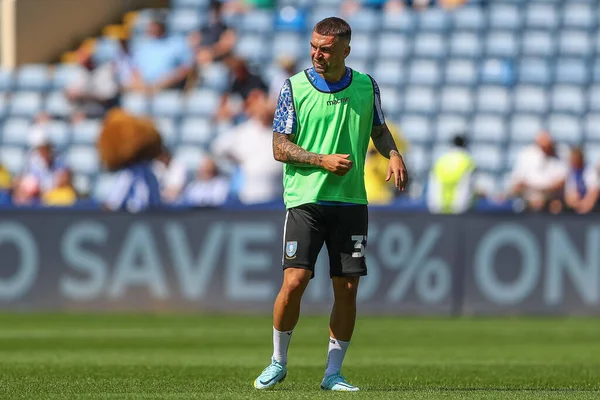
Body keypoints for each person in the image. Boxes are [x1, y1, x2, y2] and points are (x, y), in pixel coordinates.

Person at [253, 17, 408, 392]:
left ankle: (332, 374)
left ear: (345, 51)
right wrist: (321, 160)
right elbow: (279, 146)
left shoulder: (365, 86)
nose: (317, 54)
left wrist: (393, 154)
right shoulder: (293, 87)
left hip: (351, 200)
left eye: (325, 49)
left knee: (348, 288)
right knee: (295, 280)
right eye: (313, 46)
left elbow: (379, 128)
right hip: (306, 198)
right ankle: (278, 361)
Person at [426, 134, 476, 214]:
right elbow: (468, 186)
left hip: (439, 206)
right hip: (460, 208)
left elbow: (434, 183)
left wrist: (434, 205)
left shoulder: (441, 160)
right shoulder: (468, 161)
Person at [564, 147, 600, 214]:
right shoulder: (571, 172)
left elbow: (594, 191)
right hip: (577, 208)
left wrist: (585, 205)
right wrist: (575, 203)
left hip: (593, 207)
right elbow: (569, 195)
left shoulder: (590, 170)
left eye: (576, 159)